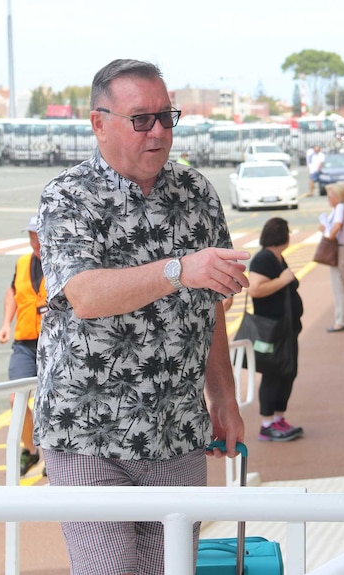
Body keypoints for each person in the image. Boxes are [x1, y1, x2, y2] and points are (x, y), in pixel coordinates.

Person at [35, 59, 250, 575]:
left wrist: (223, 396)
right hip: (88, 435)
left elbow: (212, 304)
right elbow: (84, 295)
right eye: (141, 119)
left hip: (177, 430)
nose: (158, 132)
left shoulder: (197, 193)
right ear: (98, 123)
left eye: (166, 117)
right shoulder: (67, 197)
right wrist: (180, 269)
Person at [247, 217, 305, 441]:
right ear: (283, 236)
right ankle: (267, 423)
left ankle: (279, 417)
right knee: (274, 373)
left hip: (286, 328)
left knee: (287, 371)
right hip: (271, 329)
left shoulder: (278, 258)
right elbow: (255, 290)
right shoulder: (263, 259)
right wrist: (282, 280)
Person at [0, 215, 45, 476]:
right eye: (31, 237)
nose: (34, 242)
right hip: (25, 341)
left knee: (49, 401)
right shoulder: (23, 261)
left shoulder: (63, 261)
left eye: (38, 237)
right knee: (17, 397)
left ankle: (53, 454)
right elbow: (13, 291)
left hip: (52, 343)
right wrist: (6, 322)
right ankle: (31, 450)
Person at [320, 182, 344, 333]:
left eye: (330, 195)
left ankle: (341, 320)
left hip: (338, 249)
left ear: (337, 197)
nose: (328, 198)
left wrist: (328, 238)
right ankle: (340, 319)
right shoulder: (339, 209)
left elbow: (337, 226)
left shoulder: (339, 208)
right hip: (341, 249)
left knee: (338, 288)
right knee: (339, 286)